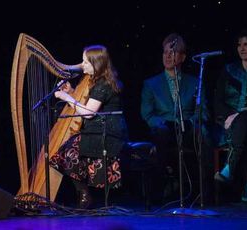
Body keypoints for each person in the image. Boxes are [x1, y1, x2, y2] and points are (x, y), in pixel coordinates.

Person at [50, 45, 128, 208]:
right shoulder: (100, 81)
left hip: (107, 133)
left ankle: (85, 195)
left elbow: (88, 113)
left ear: (96, 64)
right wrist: (72, 92)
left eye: (86, 62)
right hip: (98, 130)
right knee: (67, 149)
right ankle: (84, 194)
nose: (82, 65)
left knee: (68, 151)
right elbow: (89, 106)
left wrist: (66, 97)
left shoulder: (103, 84)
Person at [140, 33, 213, 203]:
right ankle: (162, 188)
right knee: (161, 132)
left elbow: (203, 111)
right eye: (165, 52)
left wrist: (191, 122)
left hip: (187, 126)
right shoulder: (151, 84)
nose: (167, 56)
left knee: (203, 133)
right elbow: (147, 113)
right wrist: (162, 123)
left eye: (172, 53)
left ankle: (203, 192)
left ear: (183, 57)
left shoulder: (195, 82)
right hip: (164, 128)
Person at [214, 29, 247, 203]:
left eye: (246, 44)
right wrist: (231, 115)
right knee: (243, 128)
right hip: (228, 122)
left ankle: (230, 168)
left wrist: (240, 115)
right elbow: (217, 101)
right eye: (239, 44)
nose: (242, 48)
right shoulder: (229, 70)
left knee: (245, 119)